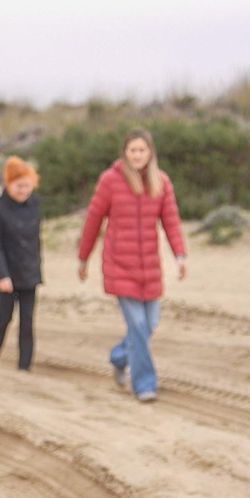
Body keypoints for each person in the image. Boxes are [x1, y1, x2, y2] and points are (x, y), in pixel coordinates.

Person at [77, 128, 188, 403]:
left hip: (149, 266)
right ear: (125, 153)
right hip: (119, 265)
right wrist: (83, 257)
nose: (137, 155)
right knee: (137, 325)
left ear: (150, 153)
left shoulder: (161, 182)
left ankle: (118, 357)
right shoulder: (110, 181)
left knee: (149, 323)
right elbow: (93, 220)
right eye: (132, 150)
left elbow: (171, 221)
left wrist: (180, 255)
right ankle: (144, 384)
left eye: (142, 150)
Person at [0, 156, 42, 371]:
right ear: (8, 184)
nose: (24, 190)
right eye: (19, 186)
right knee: (4, 317)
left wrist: (37, 268)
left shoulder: (35, 203)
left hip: (29, 271)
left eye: (28, 186)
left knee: (27, 321)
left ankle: (24, 366)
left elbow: (36, 239)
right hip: (5, 273)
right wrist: (1, 275)